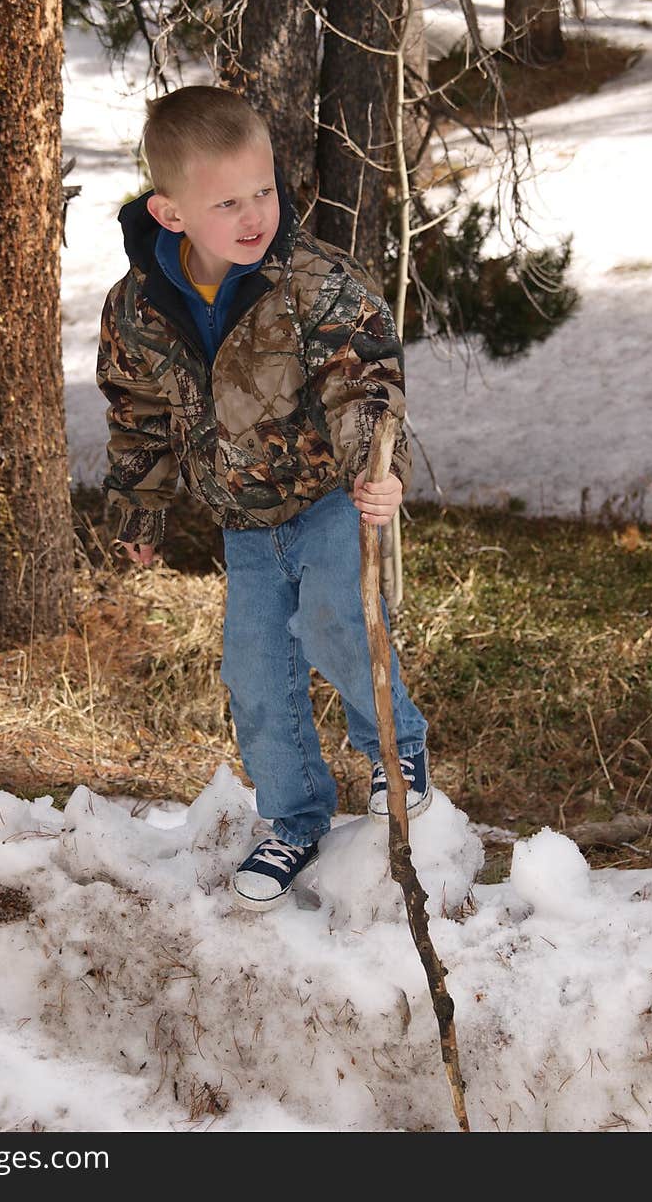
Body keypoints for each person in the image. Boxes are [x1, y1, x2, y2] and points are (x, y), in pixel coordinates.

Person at [96, 85, 433, 912]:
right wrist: (141, 510)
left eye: (265, 191)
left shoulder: (313, 282)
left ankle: (396, 753)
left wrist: (374, 468)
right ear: (170, 212)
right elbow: (135, 411)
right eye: (228, 202)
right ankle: (293, 814)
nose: (255, 215)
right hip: (242, 522)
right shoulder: (139, 307)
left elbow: (365, 383)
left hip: (325, 499)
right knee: (253, 671)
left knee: (334, 621)